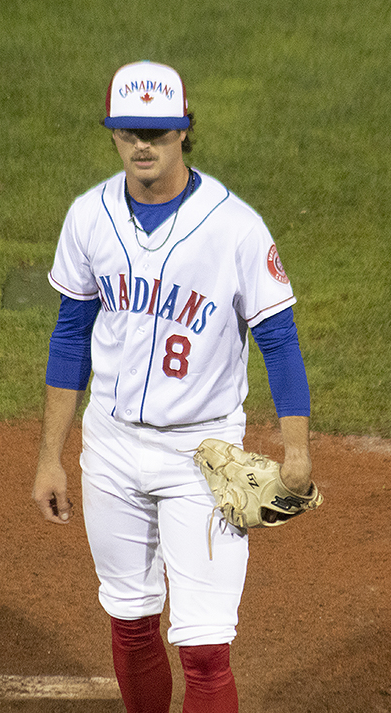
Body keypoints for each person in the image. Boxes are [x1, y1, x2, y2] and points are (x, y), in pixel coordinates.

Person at [32, 60, 315, 713]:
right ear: (112, 135)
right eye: (130, 131)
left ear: (185, 131)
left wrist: (296, 449)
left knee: (206, 648)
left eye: (157, 132)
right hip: (110, 448)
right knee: (130, 623)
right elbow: (70, 335)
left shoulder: (236, 227)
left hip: (202, 455)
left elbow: (279, 338)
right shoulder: (89, 217)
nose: (143, 145)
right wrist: (50, 454)